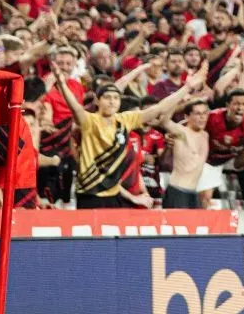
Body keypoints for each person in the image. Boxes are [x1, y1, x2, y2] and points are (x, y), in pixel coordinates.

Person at [52, 63, 207, 208]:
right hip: (89, 193)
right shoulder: (89, 120)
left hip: (114, 193)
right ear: (97, 101)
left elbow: (159, 108)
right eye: (107, 98)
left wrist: (187, 87)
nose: (112, 102)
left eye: (115, 98)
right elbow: (75, 107)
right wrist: (62, 83)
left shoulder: (125, 120)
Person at [159, 100, 211, 209]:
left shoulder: (205, 135)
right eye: (197, 113)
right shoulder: (181, 132)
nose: (202, 117)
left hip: (194, 193)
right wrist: (179, 102)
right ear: (187, 116)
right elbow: (164, 121)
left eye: (204, 113)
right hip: (177, 192)